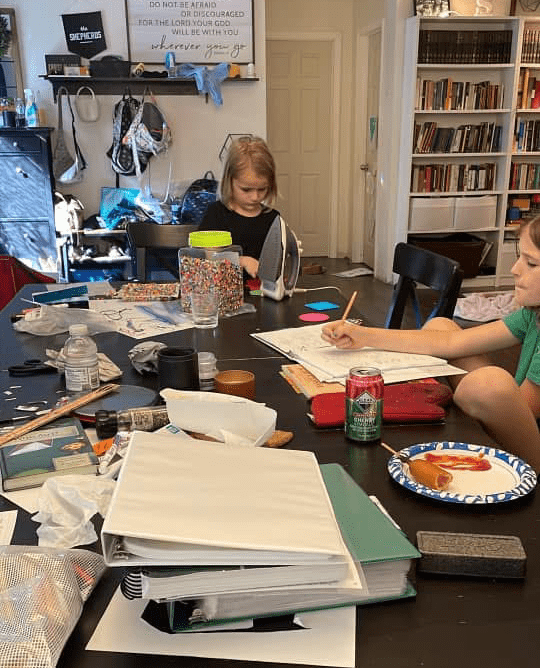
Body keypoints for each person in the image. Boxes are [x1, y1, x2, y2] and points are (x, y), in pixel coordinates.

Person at [322, 217, 540, 472]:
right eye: (519, 257)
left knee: (488, 384)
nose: (514, 269)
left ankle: (471, 438)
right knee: (441, 325)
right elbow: (451, 341)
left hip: (533, 452)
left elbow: (525, 410)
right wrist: (362, 335)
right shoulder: (532, 313)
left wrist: (475, 396)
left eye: (531, 263)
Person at [198, 136, 279, 278]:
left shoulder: (273, 219)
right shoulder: (216, 214)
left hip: (262, 290)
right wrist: (241, 261)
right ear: (229, 180)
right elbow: (205, 259)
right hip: (221, 290)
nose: (255, 197)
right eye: (246, 190)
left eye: (262, 189)